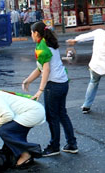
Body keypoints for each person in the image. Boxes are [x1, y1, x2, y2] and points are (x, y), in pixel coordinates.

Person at [22, 21, 78, 157]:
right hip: (63, 83)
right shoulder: (50, 43)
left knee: (52, 117)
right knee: (62, 114)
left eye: (31, 33)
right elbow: (40, 68)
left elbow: (45, 70)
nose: (31, 35)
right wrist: (28, 80)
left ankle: (54, 147)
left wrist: (40, 90)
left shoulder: (42, 47)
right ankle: (72, 144)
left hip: (53, 86)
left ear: (36, 33)